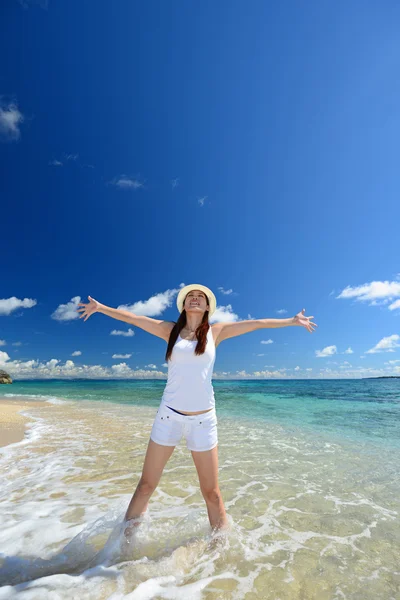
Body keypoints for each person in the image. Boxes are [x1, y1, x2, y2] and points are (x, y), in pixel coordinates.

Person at [77, 284, 317, 538]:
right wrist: (101, 308)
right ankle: (121, 546)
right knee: (146, 485)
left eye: (200, 297)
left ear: (207, 306)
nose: (194, 299)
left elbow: (257, 323)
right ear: (183, 305)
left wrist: (292, 321)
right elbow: (134, 318)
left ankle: (220, 552)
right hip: (168, 417)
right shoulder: (170, 331)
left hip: (203, 421)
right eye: (190, 296)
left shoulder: (216, 332)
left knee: (212, 493)